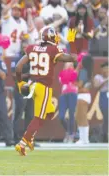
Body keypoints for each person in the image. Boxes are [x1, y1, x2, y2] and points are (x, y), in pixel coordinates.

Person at [15, 26, 77, 156]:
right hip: (44, 88)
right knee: (38, 118)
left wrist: (20, 82)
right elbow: (73, 58)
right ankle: (22, 143)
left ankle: (30, 137)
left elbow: (19, 66)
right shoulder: (53, 49)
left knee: (49, 112)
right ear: (52, 38)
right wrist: (72, 43)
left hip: (33, 85)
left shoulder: (32, 48)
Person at [75, 54, 93, 144]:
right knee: (79, 117)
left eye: (81, 60)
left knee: (82, 117)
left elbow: (79, 85)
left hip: (83, 96)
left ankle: (85, 139)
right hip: (84, 96)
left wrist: (77, 70)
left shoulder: (83, 71)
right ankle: (82, 138)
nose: (79, 62)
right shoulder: (87, 71)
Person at [58, 63, 78, 143]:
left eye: (71, 65)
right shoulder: (62, 74)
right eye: (68, 65)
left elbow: (76, 81)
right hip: (64, 94)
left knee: (71, 114)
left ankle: (71, 134)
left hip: (73, 94)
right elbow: (61, 81)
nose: (69, 67)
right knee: (61, 116)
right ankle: (68, 131)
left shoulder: (76, 73)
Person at [93, 62, 108, 142]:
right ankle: (103, 134)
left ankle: (103, 133)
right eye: (104, 69)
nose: (106, 70)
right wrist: (105, 81)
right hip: (103, 96)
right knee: (106, 116)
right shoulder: (98, 77)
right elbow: (96, 87)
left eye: (107, 68)